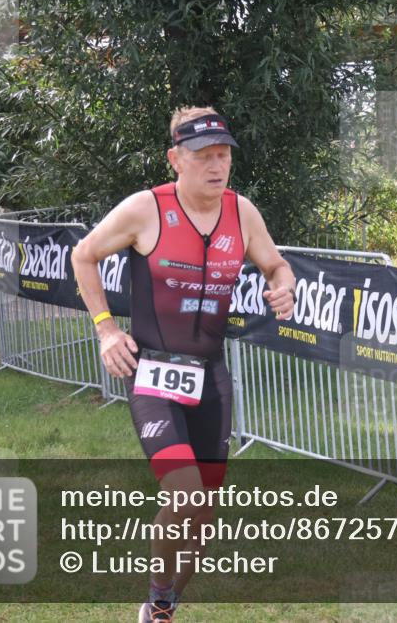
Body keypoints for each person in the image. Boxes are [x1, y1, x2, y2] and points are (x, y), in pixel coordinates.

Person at [72, 106, 296, 622]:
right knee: (184, 491)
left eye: (224, 156)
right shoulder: (144, 209)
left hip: (212, 377)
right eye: (203, 157)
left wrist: (282, 286)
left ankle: (165, 606)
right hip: (152, 374)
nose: (217, 167)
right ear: (175, 159)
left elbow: (276, 264)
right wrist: (106, 328)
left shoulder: (243, 213)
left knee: (203, 515)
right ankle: (156, 598)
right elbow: (84, 255)